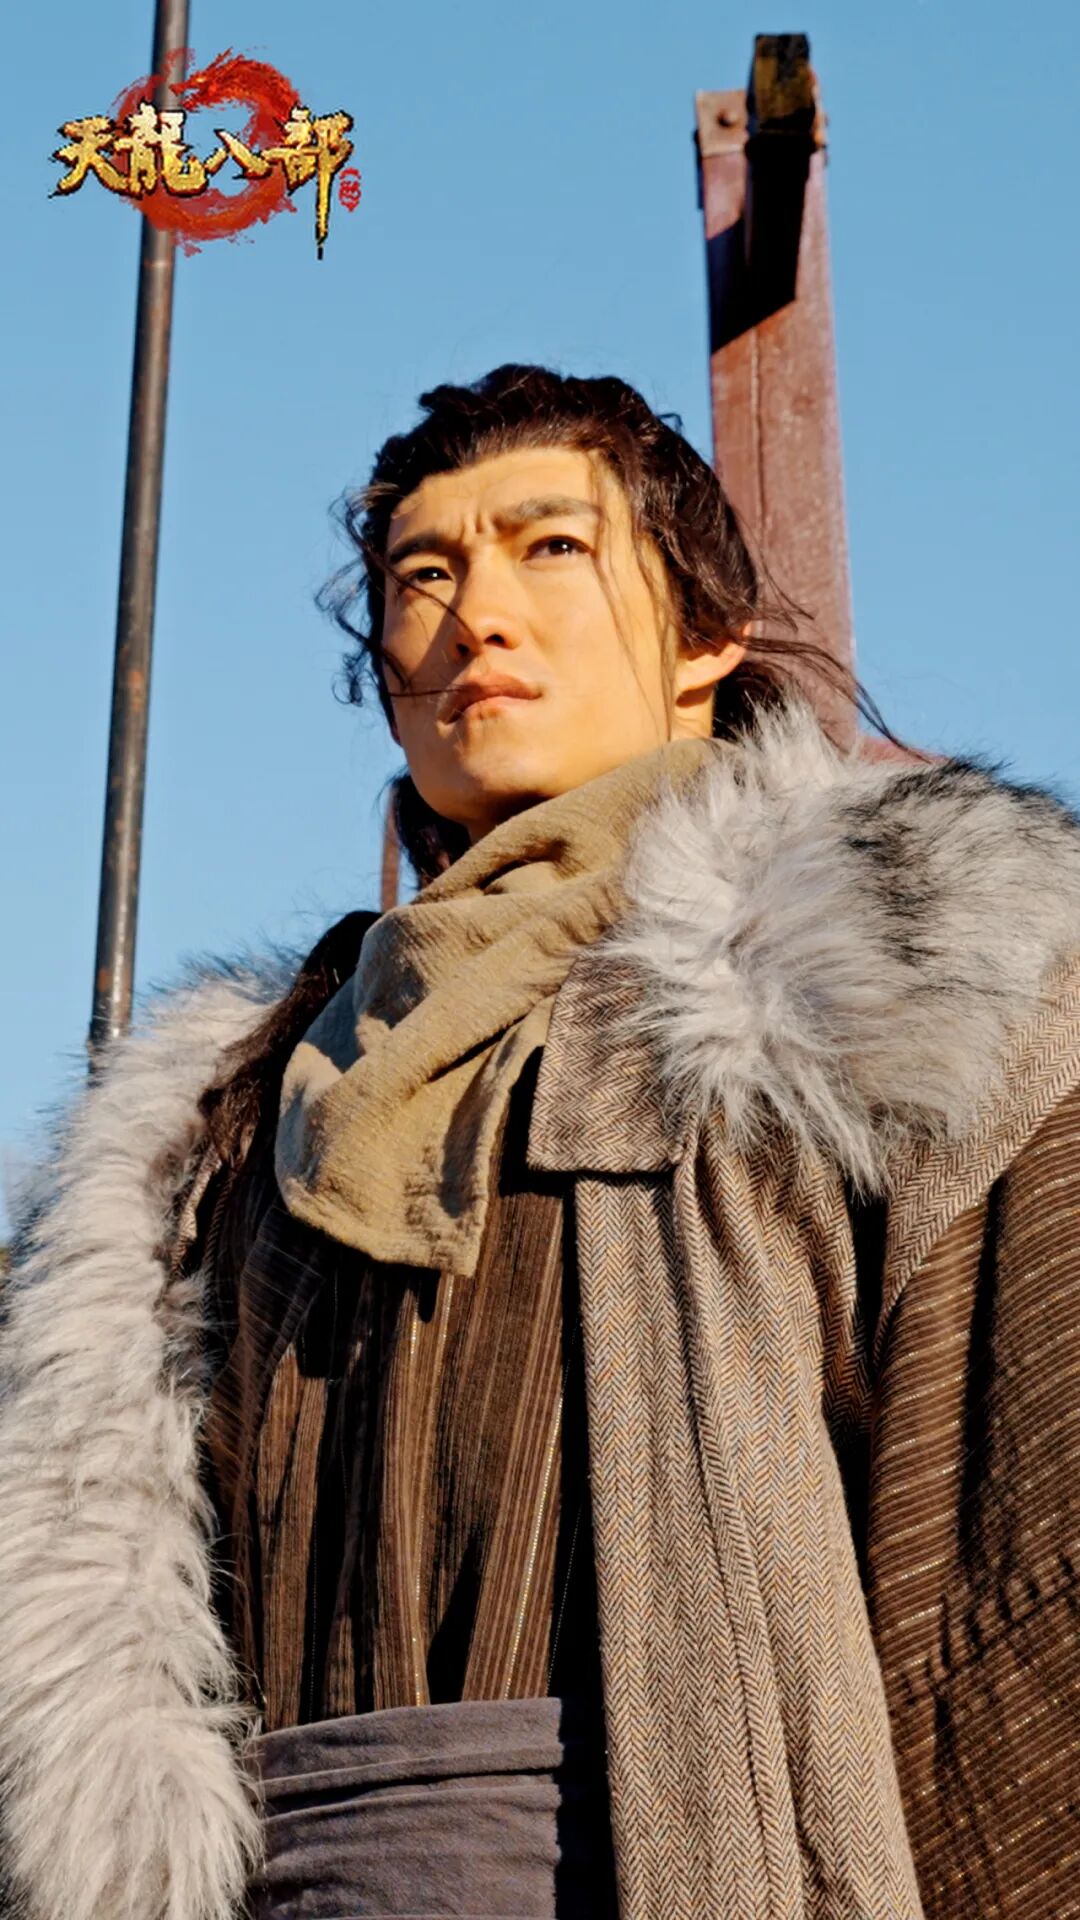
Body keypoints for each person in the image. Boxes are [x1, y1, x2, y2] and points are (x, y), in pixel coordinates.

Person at [1, 363, 1078, 1920]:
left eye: (551, 547)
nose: (475, 618)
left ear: (708, 635)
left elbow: (1022, 1560)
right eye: (422, 575)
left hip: (702, 1859)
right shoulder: (229, 1113)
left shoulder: (888, 995)